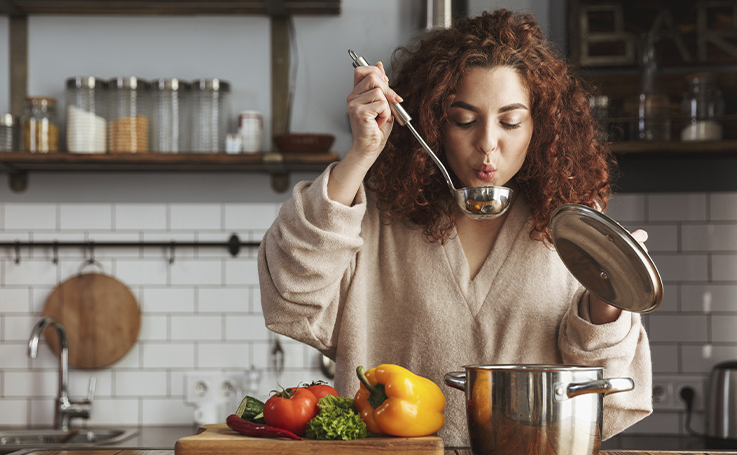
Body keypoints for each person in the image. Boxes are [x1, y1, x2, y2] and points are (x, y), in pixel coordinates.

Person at [258, 9, 652, 445]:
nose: (487, 142)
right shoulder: (374, 219)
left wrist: (608, 297)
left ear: (539, 127)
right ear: (433, 123)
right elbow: (292, 296)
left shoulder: (575, 228)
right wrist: (362, 154)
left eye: (510, 121)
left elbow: (605, 387)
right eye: (464, 120)